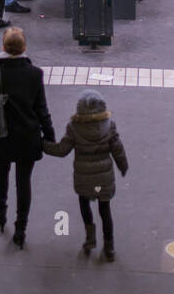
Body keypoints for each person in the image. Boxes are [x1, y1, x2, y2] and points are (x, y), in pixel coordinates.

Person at [0, 27, 55, 248]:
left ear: (3, 47)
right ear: (24, 48)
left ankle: (0, 216)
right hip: (28, 136)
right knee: (24, 182)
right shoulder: (35, 74)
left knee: (1, 173)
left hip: (2, 135)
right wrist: (49, 135)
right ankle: (21, 228)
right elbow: (42, 109)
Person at [43, 90, 129, 261]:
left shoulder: (74, 127)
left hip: (84, 177)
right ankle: (109, 247)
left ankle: (90, 240)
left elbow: (62, 150)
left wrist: (41, 144)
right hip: (104, 179)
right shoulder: (109, 125)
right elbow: (117, 149)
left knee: (85, 205)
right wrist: (123, 166)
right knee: (105, 211)